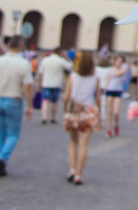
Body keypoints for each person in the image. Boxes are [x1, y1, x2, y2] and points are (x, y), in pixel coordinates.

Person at [0, 35, 33, 177]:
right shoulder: (23, 63)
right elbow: (27, 86)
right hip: (14, 100)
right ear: (21, 46)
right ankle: (2, 157)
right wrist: (30, 104)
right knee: (13, 133)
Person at [63, 51, 100, 185]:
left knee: (73, 142)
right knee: (84, 144)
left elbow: (66, 97)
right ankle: (79, 175)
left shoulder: (73, 77)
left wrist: (65, 109)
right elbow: (98, 97)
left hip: (74, 111)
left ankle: (72, 169)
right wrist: (99, 112)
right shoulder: (95, 77)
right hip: (88, 112)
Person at [36, 48, 72, 125]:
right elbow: (69, 66)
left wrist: (40, 82)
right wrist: (66, 58)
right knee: (54, 102)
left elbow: (40, 72)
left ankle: (44, 116)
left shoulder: (45, 60)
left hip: (46, 82)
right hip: (56, 83)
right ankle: (53, 117)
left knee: (45, 101)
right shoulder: (60, 61)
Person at [102, 55, 129, 137]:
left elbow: (119, 73)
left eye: (121, 61)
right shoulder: (110, 70)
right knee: (109, 111)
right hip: (110, 90)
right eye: (118, 61)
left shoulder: (123, 69)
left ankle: (116, 124)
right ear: (115, 61)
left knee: (116, 112)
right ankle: (108, 129)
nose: (119, 63)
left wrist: (117, 70)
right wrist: (105, 88)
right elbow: (108, 80)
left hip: (118, 91)